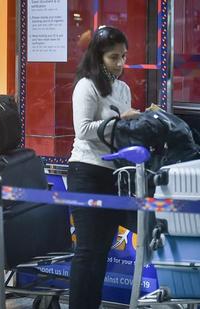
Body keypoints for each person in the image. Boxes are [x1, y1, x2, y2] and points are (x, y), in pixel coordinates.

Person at [67, 26, 141, 309]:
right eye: (114, 57)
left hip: (115, 176)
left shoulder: (123, 88)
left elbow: (119, 130)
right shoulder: (86, 85)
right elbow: (83, 130)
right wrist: (121, 121)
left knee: (101, 251)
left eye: (123, 56)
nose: (121, 64)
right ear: (98, 57)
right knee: (88, 251)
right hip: (87, 172)